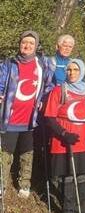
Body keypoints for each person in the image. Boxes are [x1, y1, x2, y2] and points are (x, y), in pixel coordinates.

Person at [43, 59, 85, 213]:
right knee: (68, 177)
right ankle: (68, 212)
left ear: (81, 71)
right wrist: (64, 134)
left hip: (84, 142)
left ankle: (83, 212)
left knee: (83, 178)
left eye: (75, 70)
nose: (72, 73)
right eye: (69, 70)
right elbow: (50, 117)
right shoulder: (59, 90)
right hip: (64, 142)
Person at [0, 31, 54, 198]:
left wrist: (44, 100)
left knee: (27, 152)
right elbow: (1, 83)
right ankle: (1, 183)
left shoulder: (43, 65)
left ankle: (24, 183)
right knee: (5, 152)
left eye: (31, 43)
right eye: (24, 42)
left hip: (31, 119)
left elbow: (49, 84)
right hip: (10, 118)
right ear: (19, 44)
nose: (27, 46)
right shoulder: (9, 64)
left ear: (36, 46)